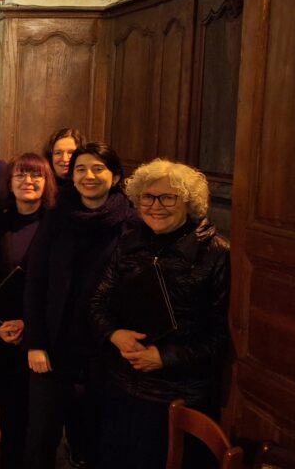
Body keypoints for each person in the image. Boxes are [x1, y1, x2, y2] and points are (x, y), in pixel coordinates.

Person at [90, 159, 230, 469]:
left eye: (169, 197)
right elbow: (99, 301)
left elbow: (221, 338)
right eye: (148, 197)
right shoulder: (129, 242)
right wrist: (114, 334)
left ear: (188, 202)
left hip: (178, 396)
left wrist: (165, 357)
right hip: (123, 384)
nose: (157, 206)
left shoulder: (216, 253)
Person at [23, 142, 138, 469]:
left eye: (98, 169)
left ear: (115, 176)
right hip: (54, 344)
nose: (88, 176)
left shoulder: (130, 223)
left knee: (94, 435)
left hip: (105, 349)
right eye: (81, 169)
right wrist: (36, 342)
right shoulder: (57, 217)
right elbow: (35, 282)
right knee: (41, 436)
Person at [0, 153, 57, 469]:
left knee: (42, 421)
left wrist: (32, 324)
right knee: (10, 414)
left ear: (46, 182)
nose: (28, 182)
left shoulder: (58, 224)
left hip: (45, 334)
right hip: (7, 333)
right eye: (21, 176)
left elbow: (61, 285)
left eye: (36, 176)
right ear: (9, 184)